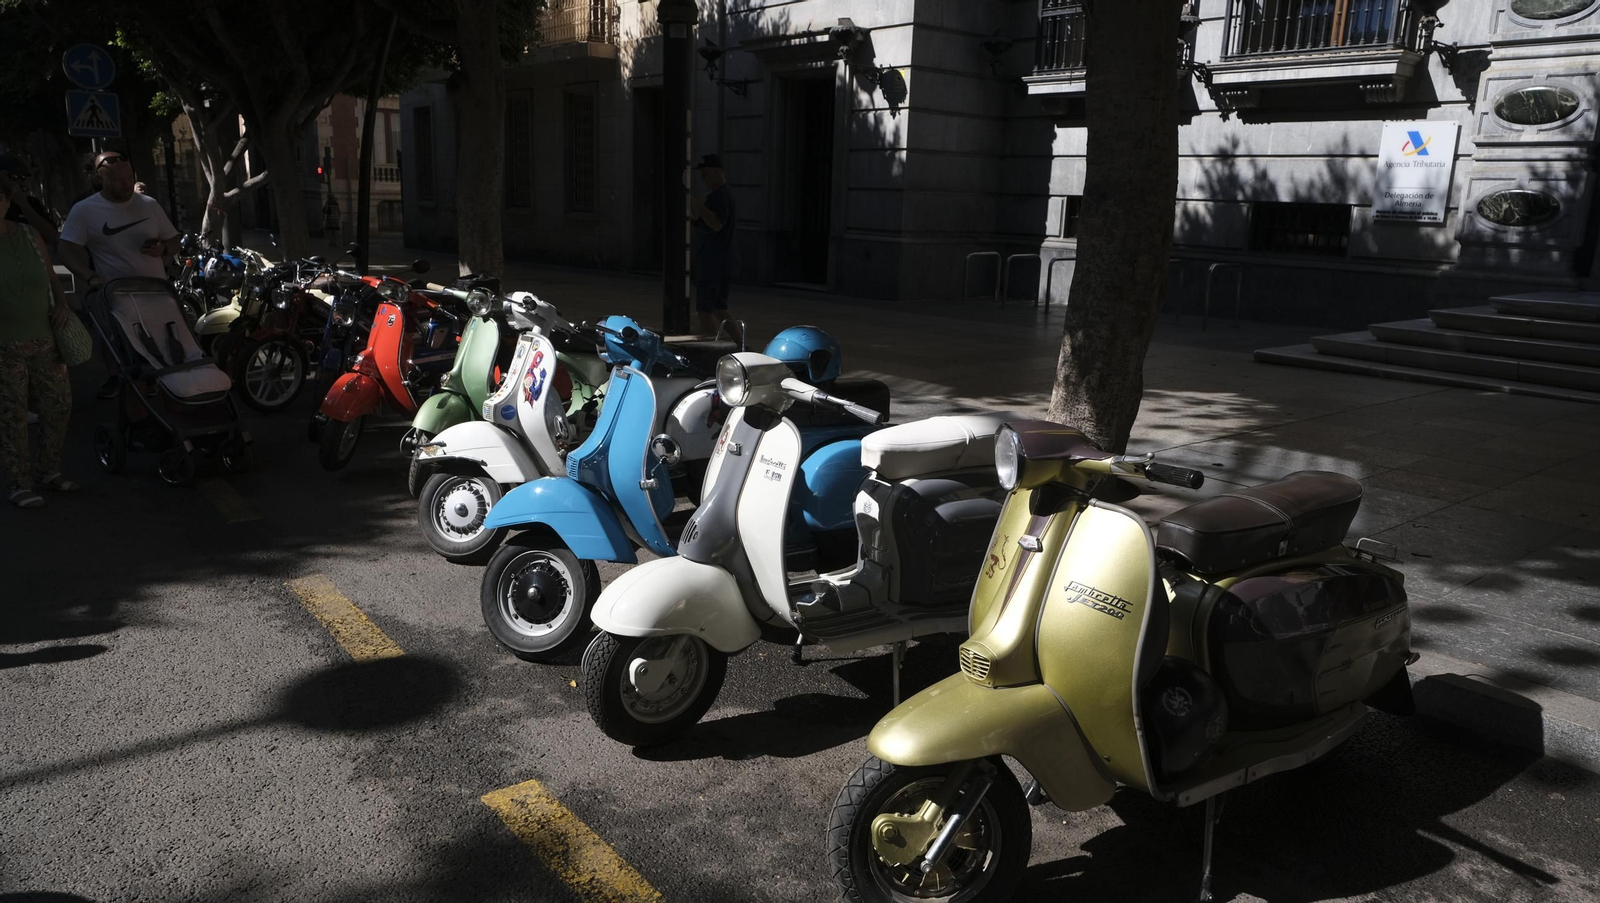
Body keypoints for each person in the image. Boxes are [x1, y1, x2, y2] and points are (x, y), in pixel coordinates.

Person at [57, 151, 180, 399]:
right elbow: (66, 249)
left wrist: (164, 249)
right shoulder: (85, 210)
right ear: (100, 180)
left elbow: (174, 240)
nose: (126, 185)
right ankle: (122, 386)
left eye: (129, 178)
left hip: (156, 293)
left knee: (161, 344)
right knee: (120, 348)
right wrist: (90, 278)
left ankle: (158, 385)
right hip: (115, 296)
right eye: (117, 180)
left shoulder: (149, 204)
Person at [0, 181, 79, 507]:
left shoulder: (28, 235)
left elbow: (50, 277)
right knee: (12, 415)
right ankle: (19, 482)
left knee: (58, 405)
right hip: (4, 344)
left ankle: (48, 469)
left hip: (45, 337)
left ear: (6, 201)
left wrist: (61, 305)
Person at [688, 154, 742, 344]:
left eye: (706, 173)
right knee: (719, 307)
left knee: (705, 310)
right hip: (721, 261)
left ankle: (711, 349)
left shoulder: (720, 196)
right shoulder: (722, 195)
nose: (703, 178)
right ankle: (742, 345)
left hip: (713, 262)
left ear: (718, 172)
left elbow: (716, 224)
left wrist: (697, 205)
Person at [0, 158, 60, 244]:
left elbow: (51, 234)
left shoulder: (31, 202)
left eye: (22, 178)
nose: (20, 182)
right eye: (14, 178)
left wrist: (24, 205)